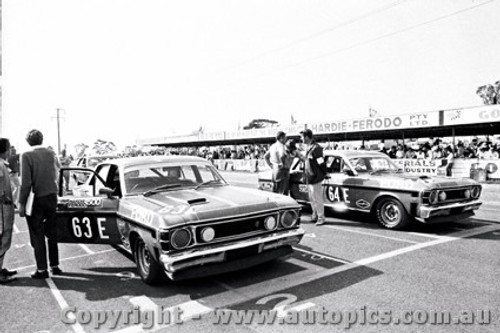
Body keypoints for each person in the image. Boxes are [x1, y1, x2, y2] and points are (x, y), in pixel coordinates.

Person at [19, 129, 63, 279]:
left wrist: (21, 202)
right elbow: (57, 172)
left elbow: (25, 183)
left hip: (36, 198)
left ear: (28, 141)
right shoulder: (51, 153)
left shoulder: (26, 155)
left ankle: (42, 269)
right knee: (52, 232)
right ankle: (55, 265)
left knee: (37, 234)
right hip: (51, 196)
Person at [300, 129, 327, 226]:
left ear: (307, 137)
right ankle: (315, 214)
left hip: (315, 177)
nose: (301, 139)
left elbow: (321, 162)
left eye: (302, 137)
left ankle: (321, 217)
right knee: (312, 198)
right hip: (309, 177)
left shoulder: (316, 148)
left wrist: (324, 173)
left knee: (317, 198)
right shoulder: (308, 147)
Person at [0, 139, 17, 284]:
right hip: (2, 210)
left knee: (5, 238)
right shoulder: (0, 165)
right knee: (3, 239)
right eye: (9, 147)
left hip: (5, 207)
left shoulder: (3, 165)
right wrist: (3, 195)